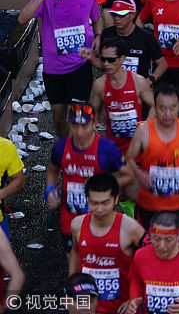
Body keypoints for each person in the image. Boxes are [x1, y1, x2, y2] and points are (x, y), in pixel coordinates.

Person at [18, 0, 102, 138]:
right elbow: (22, 18)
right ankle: (64, 148)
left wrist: (98, 36)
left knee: (76, 115)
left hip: (79, 65)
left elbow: (97, 19)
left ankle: (74, 153)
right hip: (54, 69)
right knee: (58, 116)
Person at [45, 102, 129, 251]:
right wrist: (50, 189)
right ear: (68, 124)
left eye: (85, 126)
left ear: (94, 124)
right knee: (73, 262)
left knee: (96, 262)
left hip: (100, 218)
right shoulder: (60, 148)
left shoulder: (107, 149)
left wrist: (106, 189)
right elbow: (52, 170)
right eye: (75, 126)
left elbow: (128, 175)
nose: (80, 132)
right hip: (69, 218)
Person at [126, 82, 179, 229]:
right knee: (148, 245)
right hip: (148, 204)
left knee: (173, 245)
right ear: (155, 107)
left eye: (172, 108)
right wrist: (138, 173)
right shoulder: (143, 132)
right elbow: (129, 158)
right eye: (162, 108)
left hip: (177, 205)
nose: (167, 114)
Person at [69, 173, 145, 314]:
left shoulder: (131, 228)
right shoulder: (77, 225)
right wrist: (71, 290)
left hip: (122, 309)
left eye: (105, 202)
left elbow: (152, 260)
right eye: (94, 203)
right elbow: (75, 252)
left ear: (116, 199)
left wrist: (135, 297)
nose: (99, 209)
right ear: (87, 200)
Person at [91, 38, 155, 157]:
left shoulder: (138, 82)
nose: (106, 64)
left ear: (122, 58)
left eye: (111, 60)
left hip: (137, 150)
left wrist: (146, 124)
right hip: (113, 150)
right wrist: (93, 123)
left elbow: (154, 106)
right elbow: (95, 110)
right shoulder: (99, 85)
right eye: (103, 59)